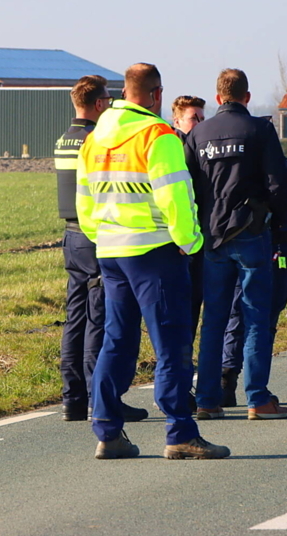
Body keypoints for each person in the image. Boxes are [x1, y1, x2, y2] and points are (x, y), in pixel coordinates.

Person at [76, 63, 229, 460]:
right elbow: (176, 197)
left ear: (125, 93)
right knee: (172, 345)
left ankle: (108, 432)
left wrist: (104, 237)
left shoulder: (94, 140)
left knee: (116, 341)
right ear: (157, 95)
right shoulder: (158, 136)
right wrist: (191, 242)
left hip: (111, 251)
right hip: (154, 253)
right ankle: (180, 432)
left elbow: (84, 203)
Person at [184, 68, 287, 421]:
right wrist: (278, 227)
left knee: (213, 320)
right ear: (246, 97)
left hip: (213, 238)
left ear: (217, 98)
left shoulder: (198, 133)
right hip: (251, 235)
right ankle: (257, 399)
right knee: (256, 317)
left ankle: (207, 399)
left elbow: (190, 186)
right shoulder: (260, 129)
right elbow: (278, 184)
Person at [54, 75, 147, 423]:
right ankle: (101, 398)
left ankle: (72, 398)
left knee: (74, 318)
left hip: (70, 237)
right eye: (107, 100)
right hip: (94, 236)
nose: (110, 104)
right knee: (99, 318)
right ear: (97, 104)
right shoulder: (94, 140)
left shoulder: (64, 139)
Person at [220, 156, 287, 407]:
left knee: (241, 316)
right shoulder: (285, 174)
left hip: (263, 253)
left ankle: (230, 381)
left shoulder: (252, 171)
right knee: (259, 321)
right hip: (270, 254)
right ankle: (246, 386)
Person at [171, 95, 208, 371]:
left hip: (196, 240)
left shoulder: (200, 146)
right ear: (177, 120)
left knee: (193, 311)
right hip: (180, 245)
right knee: (183, 314)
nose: (199, 123)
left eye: (202, 118)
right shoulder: (174, 148)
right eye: (194, 118)